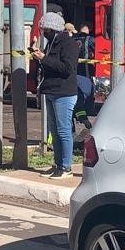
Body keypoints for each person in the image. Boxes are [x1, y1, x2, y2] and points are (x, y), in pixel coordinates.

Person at [32, 11, 79, 179]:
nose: (44, 33)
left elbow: (67, 68)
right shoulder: (50, 43)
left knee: (63, 130)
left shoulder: (69, 44)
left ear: (54, 29)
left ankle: (66, 166)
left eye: (46, 30)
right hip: (50, 90)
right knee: (54, 129)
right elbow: (49, 65)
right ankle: (58, 164)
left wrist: (44, 58)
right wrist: (38, 57)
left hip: (64, 92)